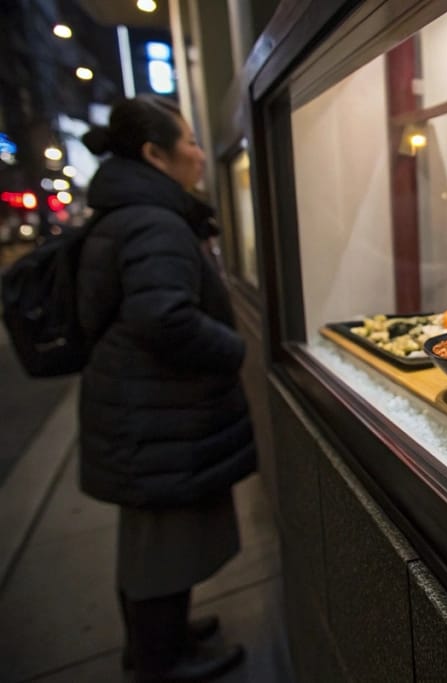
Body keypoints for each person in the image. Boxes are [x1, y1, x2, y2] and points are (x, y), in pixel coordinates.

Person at [77, 96, 256, 682]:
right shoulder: (152, 219)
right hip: (152, 412)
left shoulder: (132, 210)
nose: (201, 154)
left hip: (143, 408)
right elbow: (163, 317)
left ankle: (166, 637)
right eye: (190, 141)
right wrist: (235, 349)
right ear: (155, 153)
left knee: (157, 541)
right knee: (157, 547)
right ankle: (159, 660)